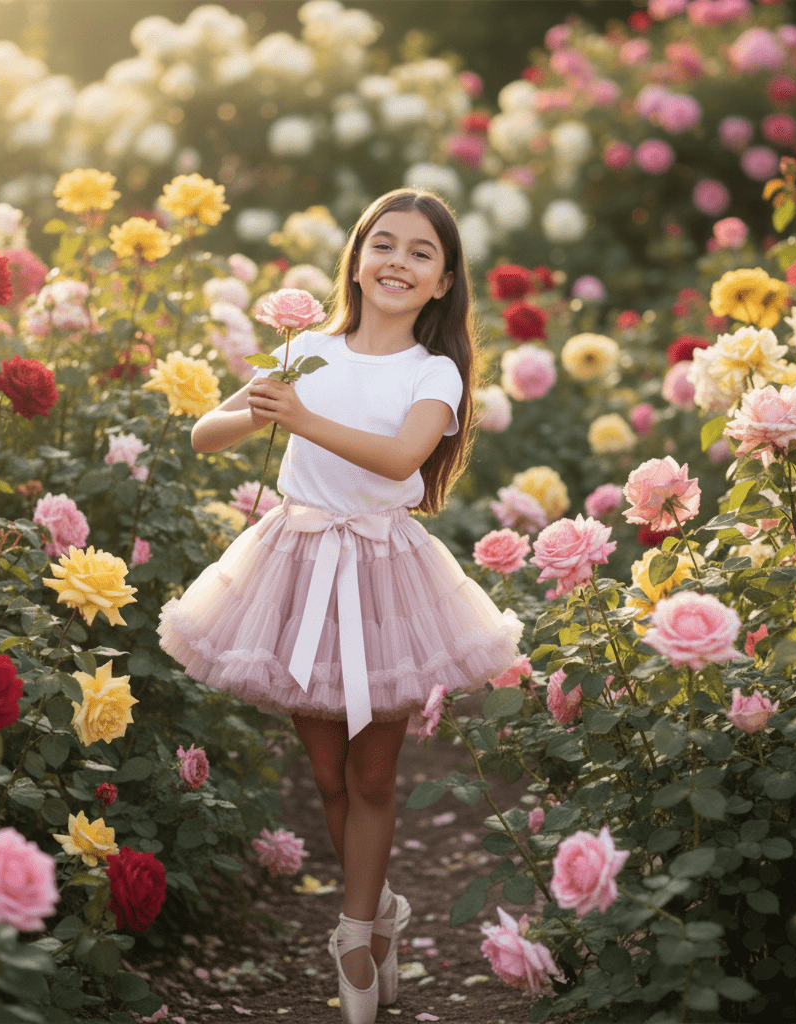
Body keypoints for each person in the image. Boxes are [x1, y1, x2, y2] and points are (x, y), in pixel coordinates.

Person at [158, 188, 522, 1024]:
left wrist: (305, 418)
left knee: (372, 771)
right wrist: (261, 401)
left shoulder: (434, 371)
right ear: (356, 260)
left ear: (441, 282)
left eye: (420, 252)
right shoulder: (309, 352)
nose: (398, 261)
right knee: (325, 772)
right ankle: (380, 902)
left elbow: (400, 459)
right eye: (383, 244)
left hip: (383, 572)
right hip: (295, 565)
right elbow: (204, 436)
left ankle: (355, 933)